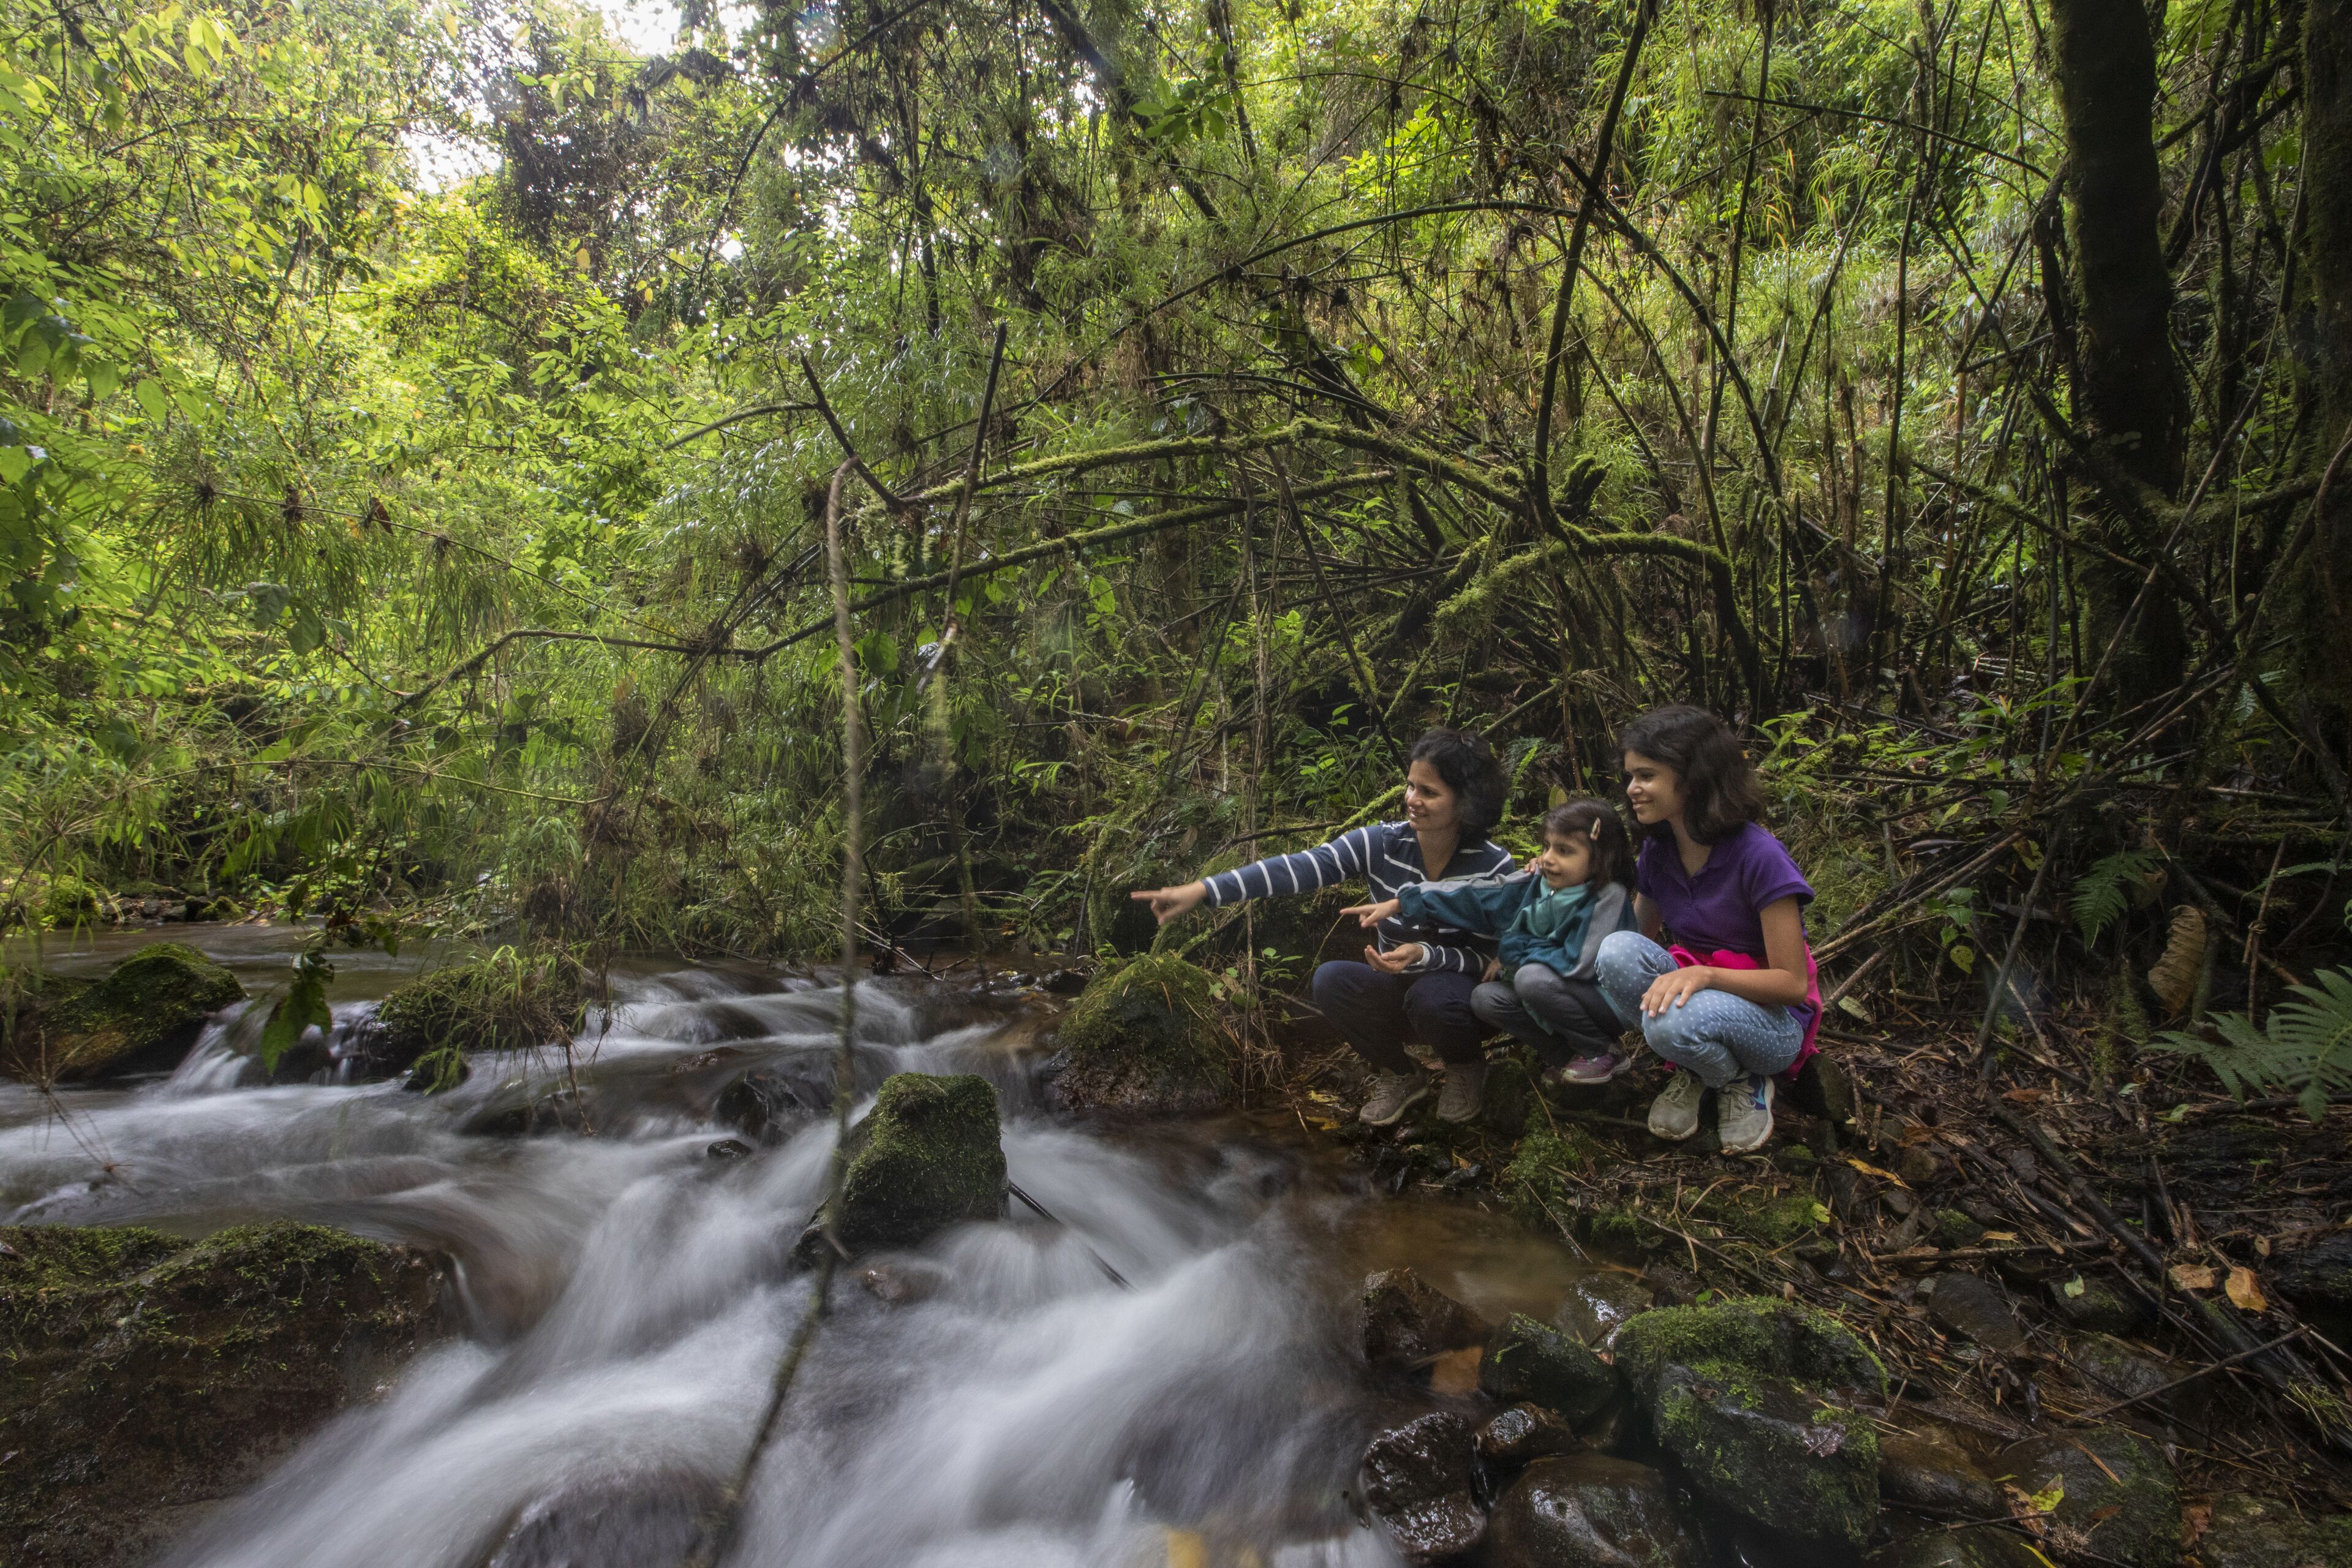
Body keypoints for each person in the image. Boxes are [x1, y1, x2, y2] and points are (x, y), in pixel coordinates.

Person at [1129, 729, 1513, 1125]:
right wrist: (1204, 890)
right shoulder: (1382, 843)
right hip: (1398, 988)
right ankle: (1400, 1073)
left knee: (1433, 995)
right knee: (1332, 980)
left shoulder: (1492, 866)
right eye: (1410, 786)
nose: (1411, 800)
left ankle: (1466, 1067)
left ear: (1466, 803)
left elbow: (1491, 959)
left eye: (1428, 793)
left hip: (1457, 1002)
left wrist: (1425, 955)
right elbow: (1299, 868)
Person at [1595, 706, 1821, 1155]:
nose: (1632, 789)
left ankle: (1743, 1081)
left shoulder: (1760, 856)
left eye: (1646, 776)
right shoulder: (1659, 853)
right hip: (1698, 1005)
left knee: (1672, 1022)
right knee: (1615, 951)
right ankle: (1704, 1069)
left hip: (1772, 1024)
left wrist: (1705, 976)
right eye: (1630, 776)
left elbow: (1793, 984)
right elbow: (1636, 940)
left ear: (1693, 777)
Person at [1342, 799, 1640, 1087]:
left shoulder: (1608, 896)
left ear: (1602, 857)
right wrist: (1403, 903)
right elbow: (1478, 896)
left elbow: (1577, 963)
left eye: (1564, 851)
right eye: (1547, 846)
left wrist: (1511, 956)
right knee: (1486, 999)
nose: (1549, 858)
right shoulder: (1540, 883)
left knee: (1530, 979)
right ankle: (1566, 1058)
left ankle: (1603, 1051)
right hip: (1553, 989)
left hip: (1603, 1000)